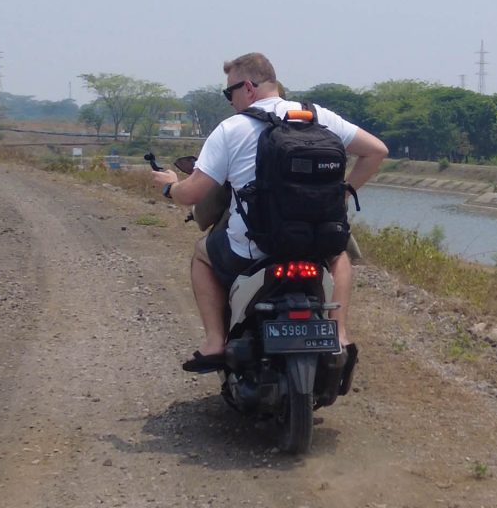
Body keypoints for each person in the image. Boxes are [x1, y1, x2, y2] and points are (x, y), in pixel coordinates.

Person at [152, 52, 388, 372]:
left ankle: (214, 343)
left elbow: (192, 193)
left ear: (248, 87)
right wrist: (343, 194)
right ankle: (341, 336)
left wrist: (169, 186)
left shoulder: (231, 129)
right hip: (315, 243)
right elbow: (376, 151)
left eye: (229, 92)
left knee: (202, 255)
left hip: (253, 249)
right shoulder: (318, 116)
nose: (230, 101)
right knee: (340, 257)